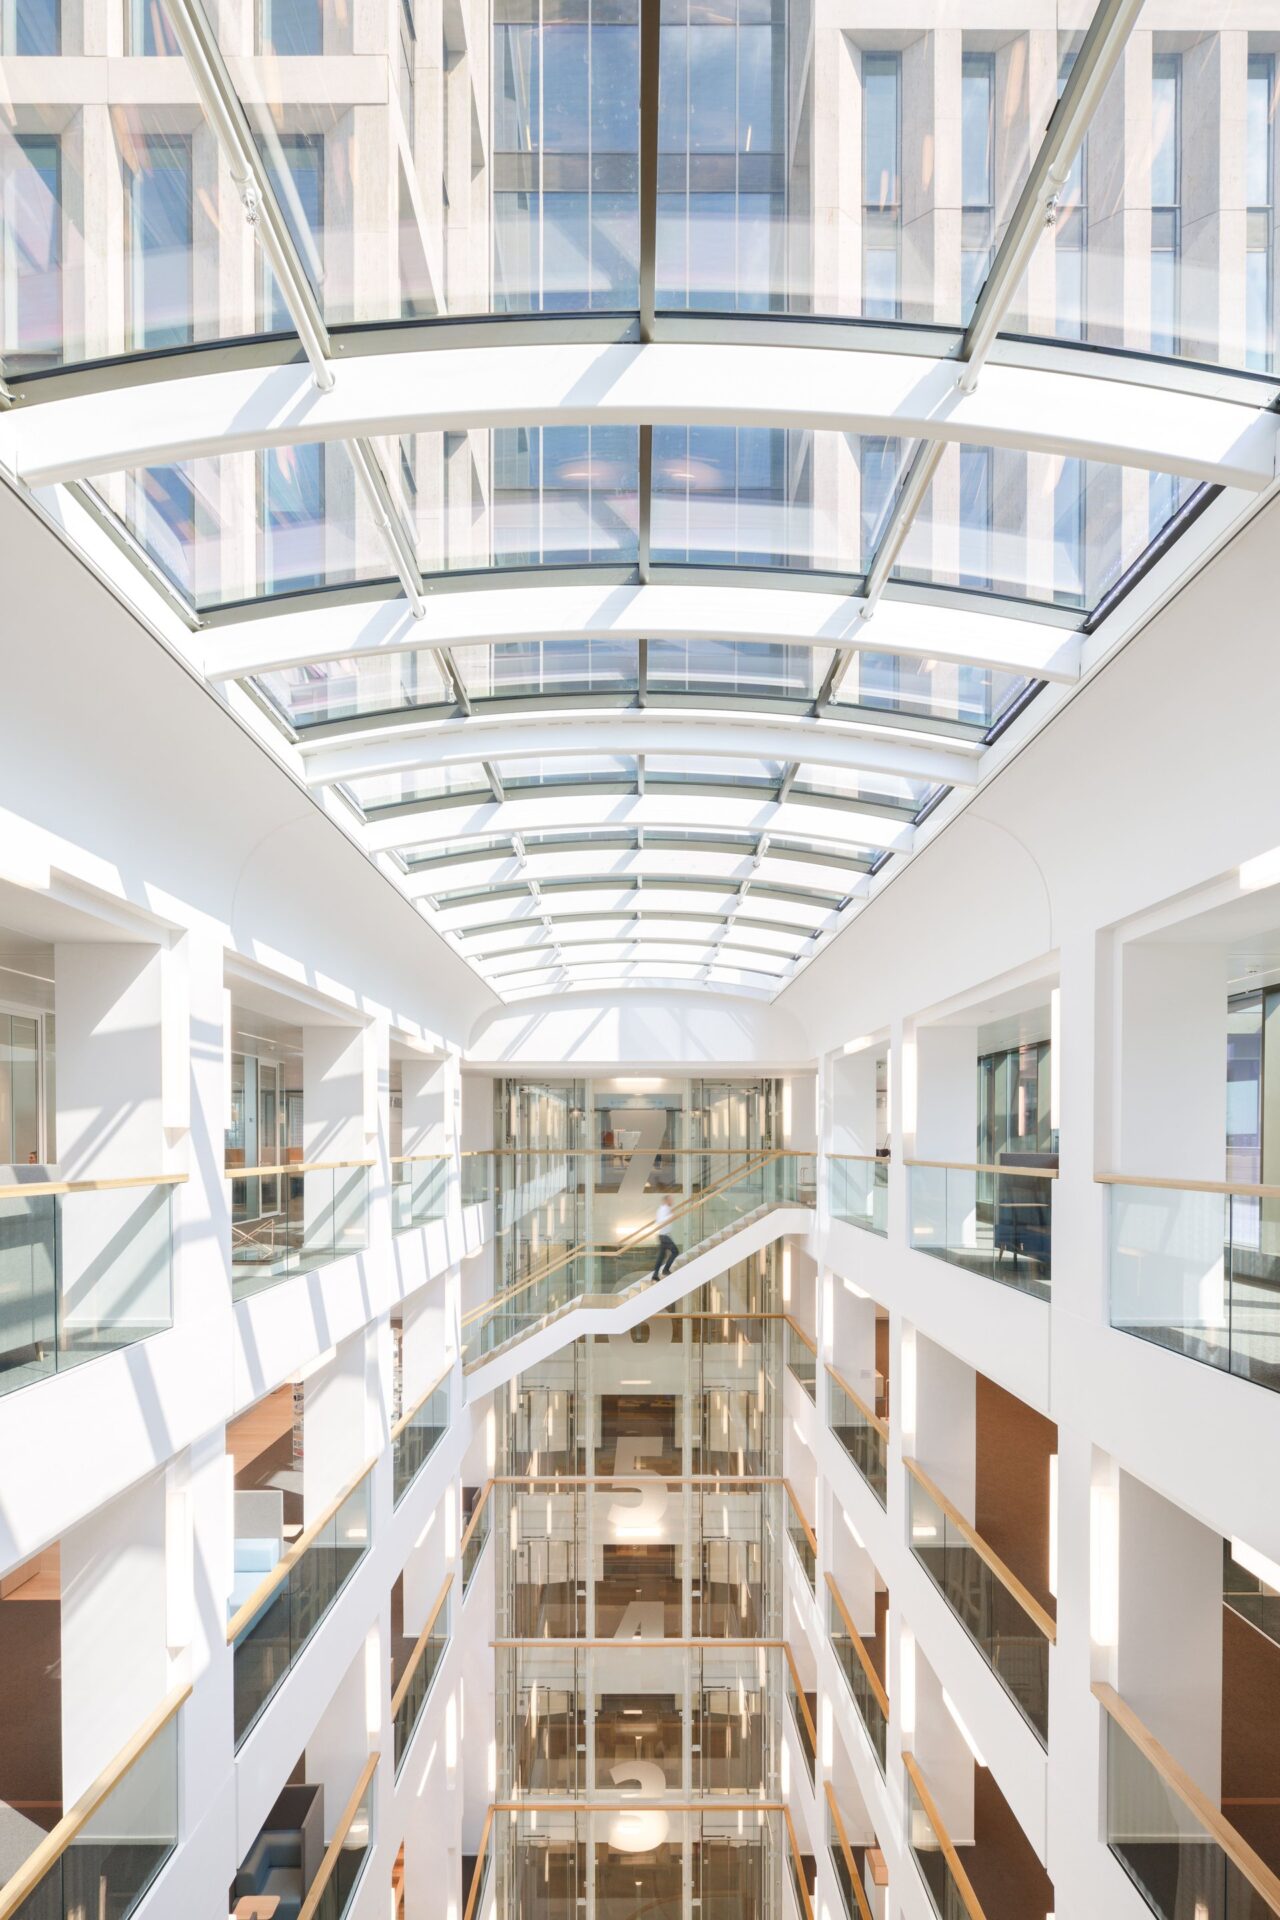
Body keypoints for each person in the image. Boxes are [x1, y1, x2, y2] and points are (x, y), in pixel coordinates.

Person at [650, 1197, 678, 1281]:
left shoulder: (665, 1209)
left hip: (662, 1235)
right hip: (664, 1235)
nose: (672, 1201)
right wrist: (671, 1216)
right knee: (675, 1251)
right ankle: (665, 1270)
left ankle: (655, 1274)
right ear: (666, 1200)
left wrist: (671, 1215)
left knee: (661, 1257)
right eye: (671, 1200)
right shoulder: (664, 1209)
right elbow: (660, 1221)